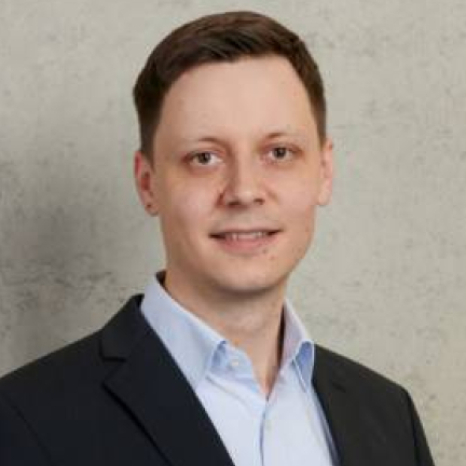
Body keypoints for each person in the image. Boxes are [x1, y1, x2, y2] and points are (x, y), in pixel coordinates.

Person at [0, 10, 435, 466]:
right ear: (148, 183)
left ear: (324, 172)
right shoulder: (24, 422)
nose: (244, 190)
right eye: (204, 157)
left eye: (279, 152)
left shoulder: (389, 417)